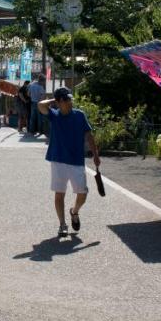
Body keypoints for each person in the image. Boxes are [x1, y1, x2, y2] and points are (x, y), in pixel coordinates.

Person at [37, 87, 100, 236]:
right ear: (58, 102)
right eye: (65, 100)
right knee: (59, 194)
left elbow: (89, 135)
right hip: (58, 160)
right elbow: (40, 105)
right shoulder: (54, 115)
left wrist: (95, 154)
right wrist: (54, 100)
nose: (69, 102)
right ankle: (62, 224)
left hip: (76, 160)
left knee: (83, 193)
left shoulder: (79, 115)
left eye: (70, 99)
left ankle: (75, 211)